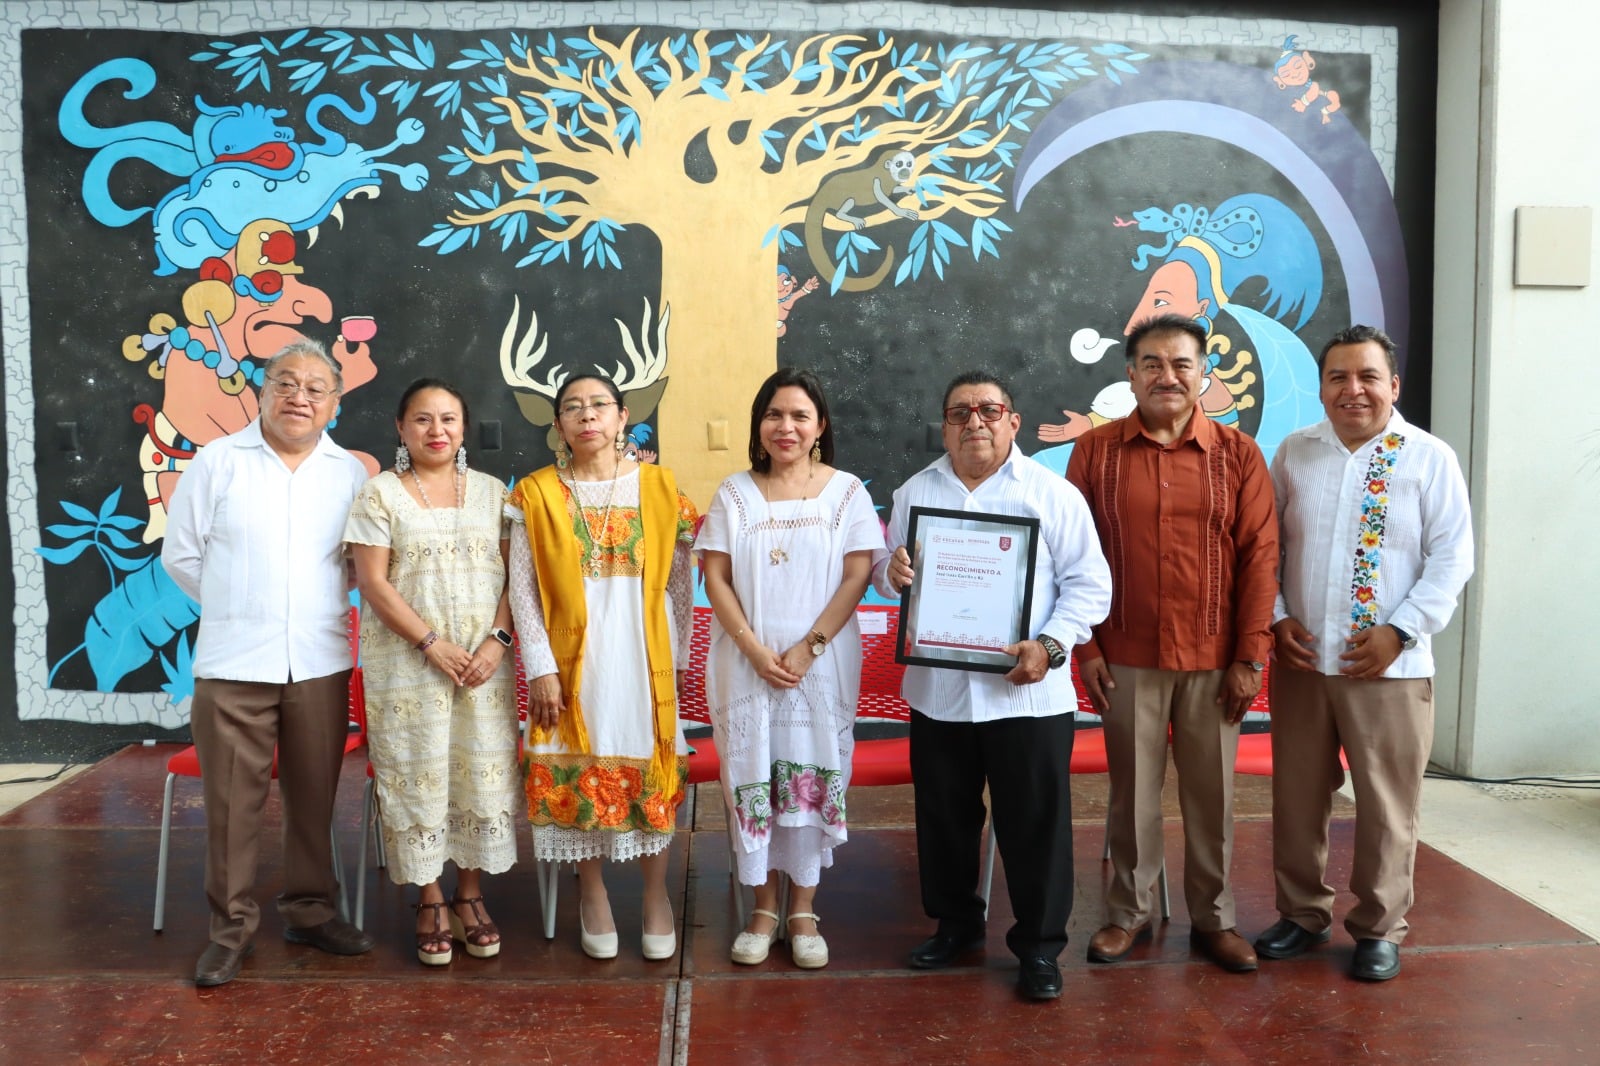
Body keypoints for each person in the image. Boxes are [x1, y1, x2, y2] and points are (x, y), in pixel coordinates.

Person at [873, 370, 1112, 1001]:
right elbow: (884, 578)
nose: (974, 422)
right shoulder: (913, 493)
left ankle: (1038, 947)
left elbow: (1092, 587)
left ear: (1013, 420)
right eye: (959, 413)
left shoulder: (1051, 494)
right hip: (940, 694)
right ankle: (955, 925)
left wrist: (1051, 646)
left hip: (1027, 692)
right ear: (944, 425)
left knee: (1034, 824)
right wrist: (890, 570)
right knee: (945, 820)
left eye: (988, 410)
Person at [1255, 325, 1473, 982]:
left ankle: (1379, 927)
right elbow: (1268, 550)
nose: (1353, 391)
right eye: (1339, 378)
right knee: (1297, 798)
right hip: (1302, 664)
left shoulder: (1429, 458)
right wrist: (1275, 619)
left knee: (1385, 804)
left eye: (1368, 377)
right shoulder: (1295, 452)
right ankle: (1301, 914)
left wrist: (1399, 631)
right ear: (1321, 388)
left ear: (1393, 385)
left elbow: (1453, 557)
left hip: (1391, 670)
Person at [1066, 314, 1278, 973]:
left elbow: (1261, 557)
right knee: (1130, 794)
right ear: (1129, 375)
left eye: (1182, 364)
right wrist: (1088, 650)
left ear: (1204, 377)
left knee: (1212, 797)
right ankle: (1126, 914)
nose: (1167, 375)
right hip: (1124, 656)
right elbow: (1071, 558)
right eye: (1152, 364)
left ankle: (1214, 921)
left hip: (1215, 661)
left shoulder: (1238, 455)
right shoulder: (1094, 453)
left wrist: (1249, 658)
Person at [161, 338, 375, 987]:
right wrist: (238, 608)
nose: (299, 397)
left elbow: (356, 563)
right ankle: (230, 932)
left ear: (334, 403)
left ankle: (309, 913)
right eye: (286, 383)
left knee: (314, 795)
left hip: (318, 660)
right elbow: (182, 555)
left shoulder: (349, 474)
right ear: (262, 391)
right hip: (233, 664)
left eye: (315, 388)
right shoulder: (218, 461)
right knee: (231, 806)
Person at [696, 367, 886, 969]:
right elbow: (715, 578)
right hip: (744, 664)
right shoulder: (734, 493)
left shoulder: (846, 492)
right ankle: (762, 909)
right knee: (752, 775)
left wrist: (810, 647)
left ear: (820, 426)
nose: (786, 427)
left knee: (812, 774)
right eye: (775, 415)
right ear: (759, 425)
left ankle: (803, 908)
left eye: (800, 415)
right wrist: (754, 649)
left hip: (821, 666)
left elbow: (858, 574)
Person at [506, 372, 699, 961]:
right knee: (576, 767)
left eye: (599, 406)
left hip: (644, 657)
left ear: (621, 417)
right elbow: (523, 590)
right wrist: (539, 667)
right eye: (572, 408)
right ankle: (590, 892)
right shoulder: (534, 494)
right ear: (558, 425)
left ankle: (655, 894)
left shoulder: (662, 489)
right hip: (569, 665)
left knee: (654, 766)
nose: (587, 416)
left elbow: (682, 581)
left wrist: (682, 657)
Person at [344, 378, 519, 966]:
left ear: (464, 428)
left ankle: (470, 896)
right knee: (418, 773)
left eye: (448, 419)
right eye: (422, 419)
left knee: (478, 771)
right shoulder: (379, 495)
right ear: (400, 428)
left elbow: (515, 579)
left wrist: (496, 642)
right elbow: (372, 583)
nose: (436, 431)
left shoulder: (495, 493)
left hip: (484, 665)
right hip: (409, 665)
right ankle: (430, 898)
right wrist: (431, 643)